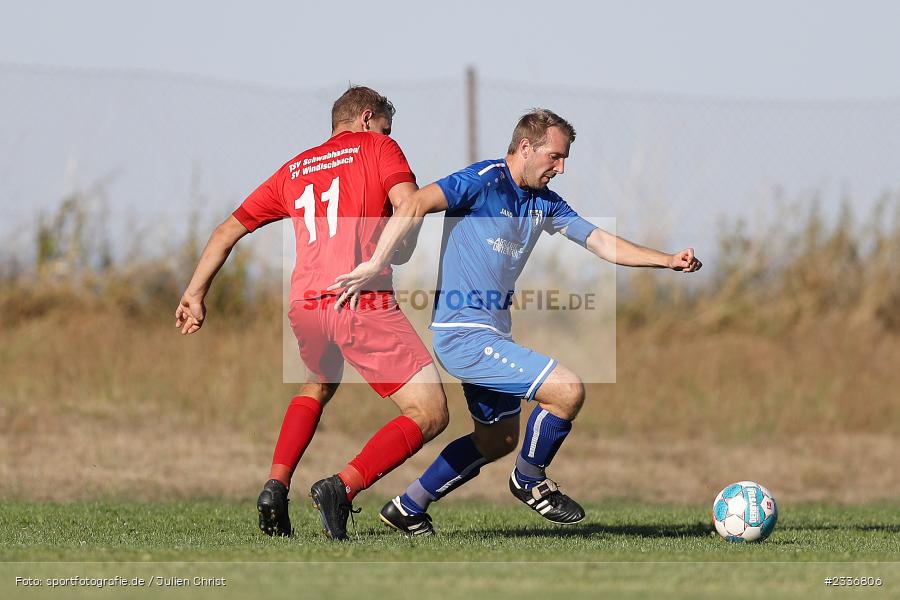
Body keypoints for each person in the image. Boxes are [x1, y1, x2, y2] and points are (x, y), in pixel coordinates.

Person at [329, 108, 702, 535]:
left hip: (491, 335)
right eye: (555, 156)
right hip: (463, 336)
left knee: (498, 439)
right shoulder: (483, 180)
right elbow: (415, 202)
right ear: (526, 147)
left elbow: (600, 242)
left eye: (564, 159)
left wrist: (667, 260)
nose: (560, 168)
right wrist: (375, 263)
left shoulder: (544, 202)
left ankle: (408, 507)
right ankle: (529, 480)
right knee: (566, 390)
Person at [174, 86, 448, 540]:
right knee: (430, 411)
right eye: (385, 127)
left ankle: (275, 487)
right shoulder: (378, 147)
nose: (387, 135)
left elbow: (226, 231)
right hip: (358, 299)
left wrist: (195, 293)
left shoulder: (296, 167)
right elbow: (410, 204)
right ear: (367, 118)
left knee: (319, 382)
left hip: (306, 306)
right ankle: (341, 487)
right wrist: (396, 250)